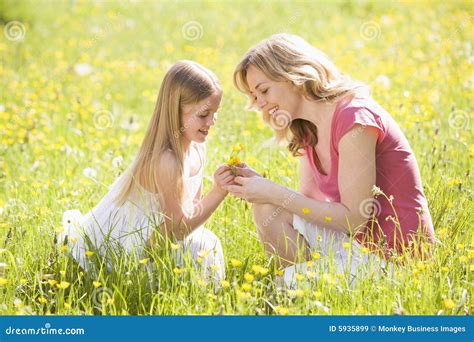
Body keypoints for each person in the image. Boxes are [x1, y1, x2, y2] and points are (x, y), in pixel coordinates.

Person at [228, 33, 435, 284]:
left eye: (263, 90)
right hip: (356, 244)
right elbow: (307, 205)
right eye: (254, 96)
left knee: (286, 283)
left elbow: (355, 220)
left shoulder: (354, 119)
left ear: (294, 76)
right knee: (267, 208)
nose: (259, 103)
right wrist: (262, 189)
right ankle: (311, 287)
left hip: (394, 259)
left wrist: (273, 191)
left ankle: (306, 288)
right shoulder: (307, 128)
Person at [61, 60, 235, 283]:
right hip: (128, 239)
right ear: (176, 111)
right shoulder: (166, 161)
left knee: (203, 244)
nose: (211, 121)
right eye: (203, 114)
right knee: (201, 246)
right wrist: (219, 192)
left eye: (215, 113)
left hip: (159, 234)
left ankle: (206, 303)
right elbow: (173, 232)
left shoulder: (198, 147)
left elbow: (191, 212)